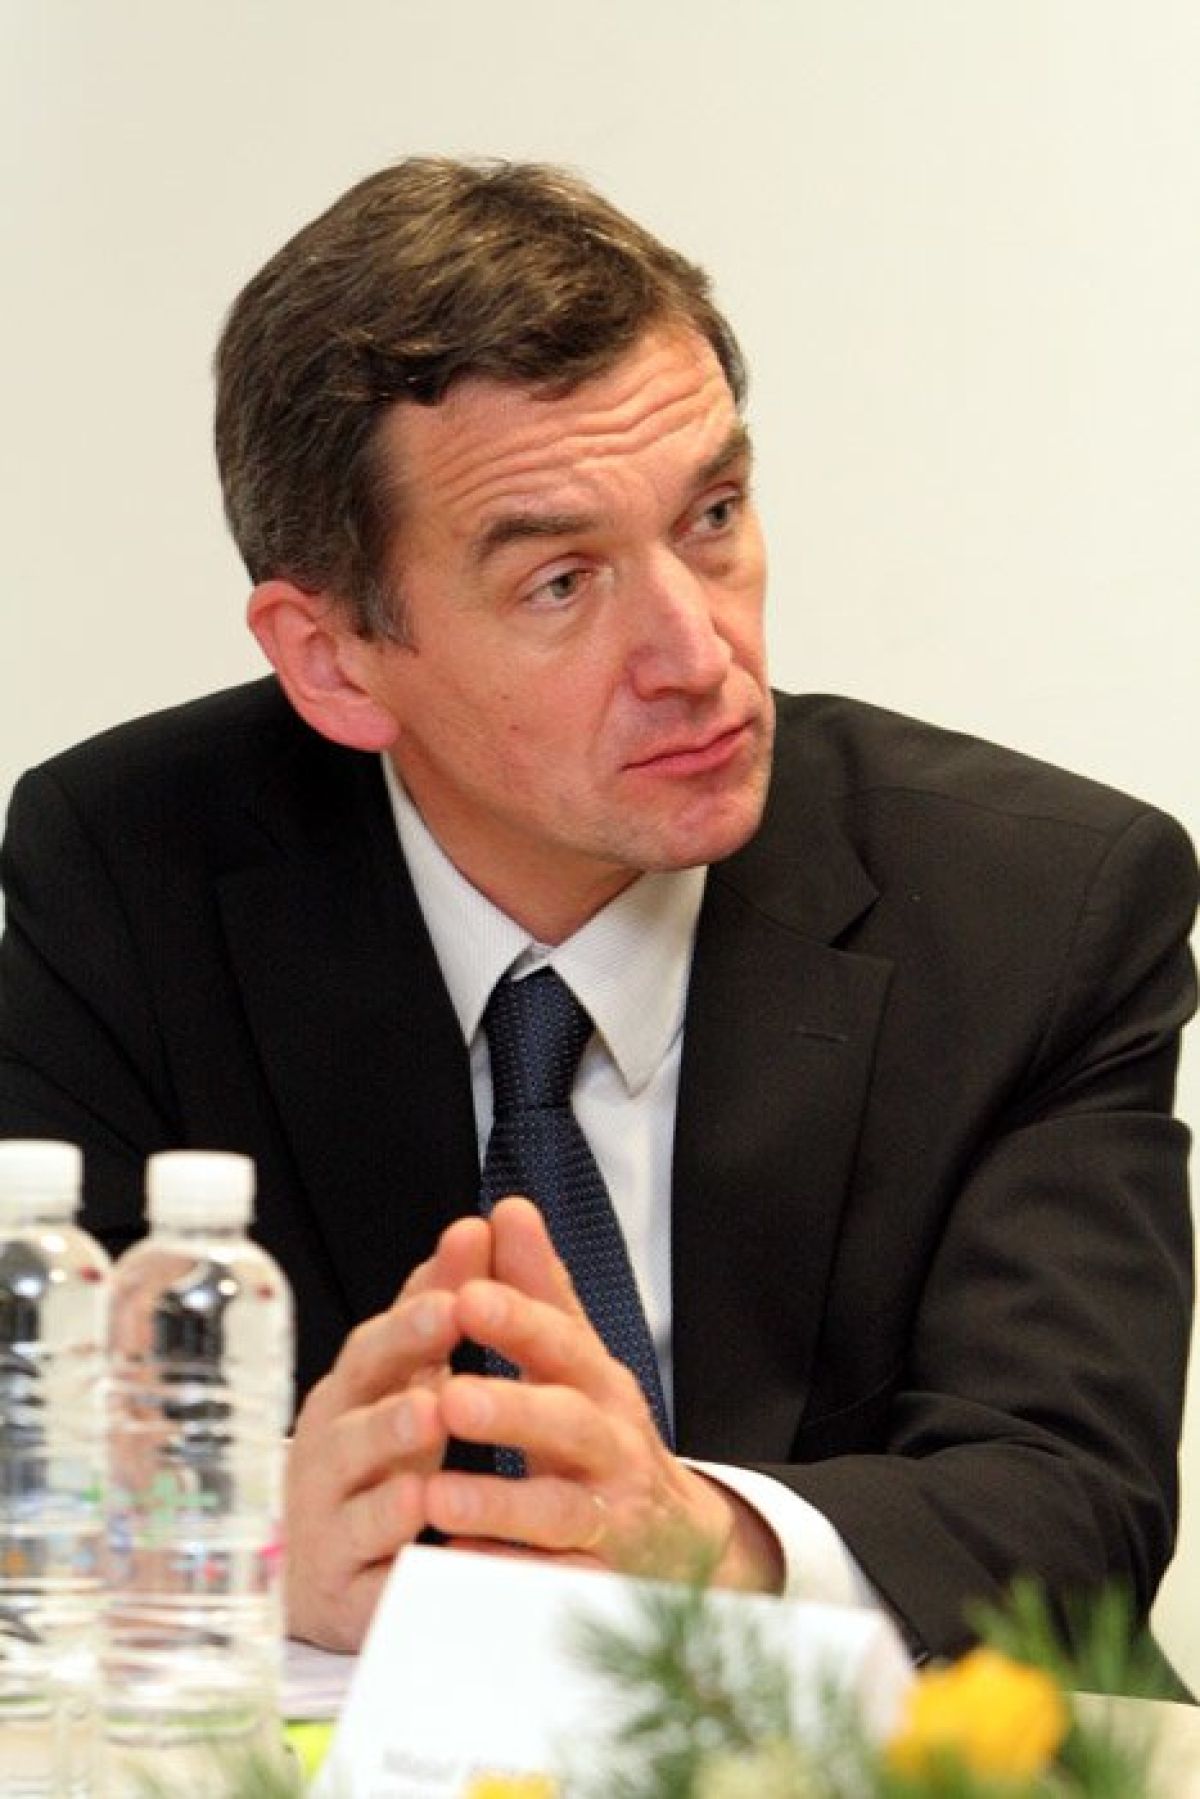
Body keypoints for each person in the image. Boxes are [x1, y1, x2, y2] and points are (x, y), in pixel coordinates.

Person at [0, 158, 1195, 1670]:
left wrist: (704, 1543)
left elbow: (1070, 1518)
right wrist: (242, 1540)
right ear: (333, 660)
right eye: (563, 582)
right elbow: (42, 1440)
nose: (698, 655)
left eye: (713, 515)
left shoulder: (1037, 908)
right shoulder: (133, 869)